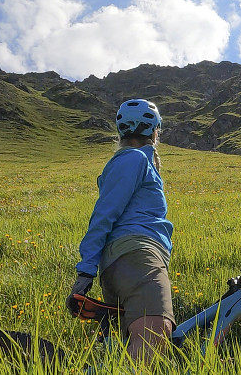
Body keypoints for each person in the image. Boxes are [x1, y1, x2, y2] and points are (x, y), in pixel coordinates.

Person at [70, 98, 174, 362]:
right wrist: (85, 269)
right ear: (155, 131)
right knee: (154, 337)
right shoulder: (134, 160)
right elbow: (104, 213)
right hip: (136, 255)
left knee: (126, 353)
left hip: (123, 261)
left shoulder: (136, 160)